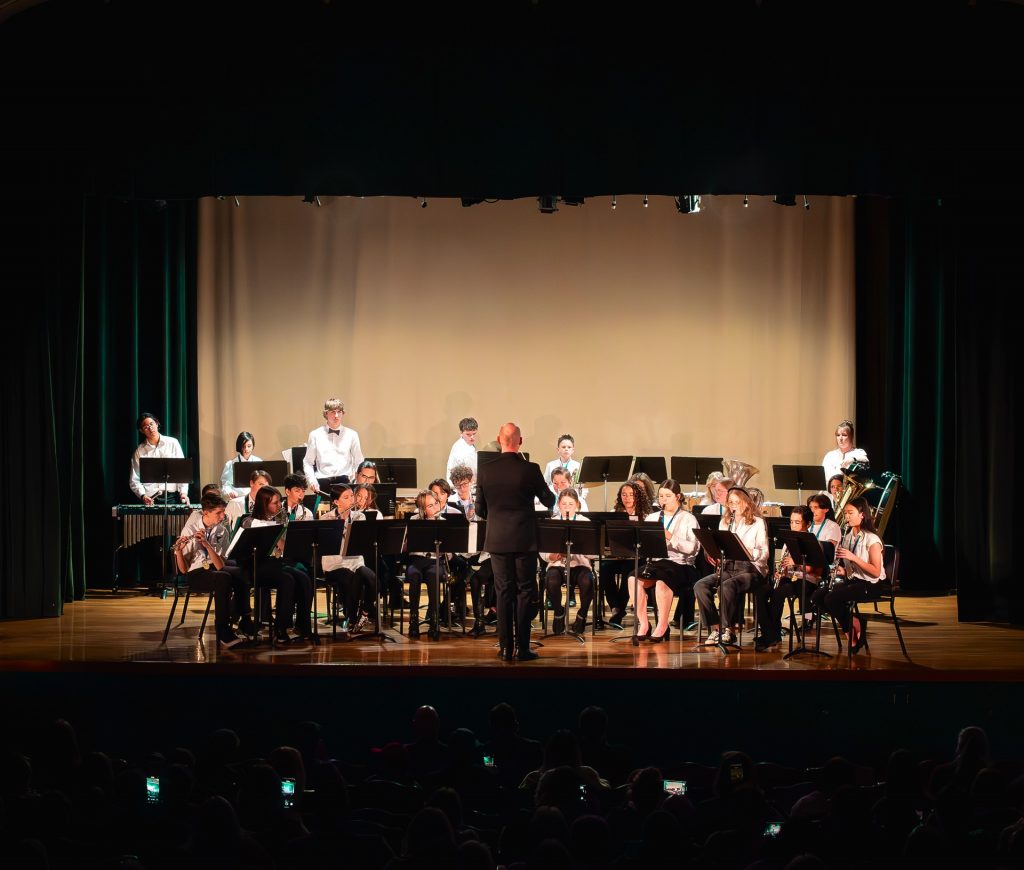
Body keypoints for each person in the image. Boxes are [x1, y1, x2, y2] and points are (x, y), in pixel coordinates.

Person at [474, 422, 556, 661]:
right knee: (524, 592)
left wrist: (498, 520)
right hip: (524, 540)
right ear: (520, 442)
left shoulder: (486, 470)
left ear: (499, 440)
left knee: (503, 593)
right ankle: (522, 648)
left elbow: (480, 508)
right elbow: (549, 500)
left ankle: (505, 648)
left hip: (497, 540)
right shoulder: (530, 469)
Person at [173, 493, 253, 649]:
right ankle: (222, 630)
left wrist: (207, 545)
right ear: (205, 513)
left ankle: (244, 619)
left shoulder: (222, 530)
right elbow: (183, 570)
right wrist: (178, 552)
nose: (223, 515)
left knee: (242, 572)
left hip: (213, 568)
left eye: (223, 511)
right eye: (218, 513)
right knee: (223, 579)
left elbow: (219, 566)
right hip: (196, 573)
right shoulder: (190, 529)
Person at [694, 486, 769, 645]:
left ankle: (728, 630)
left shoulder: (758, 522)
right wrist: (714, 554)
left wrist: (747, 552)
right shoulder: (725, 522)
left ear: (746, 502)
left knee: (726, 586)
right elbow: (721, 547)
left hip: (751, 570)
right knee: (700, 586)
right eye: (731, 503)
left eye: (737, 502)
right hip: (729, 567)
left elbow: (764, 554)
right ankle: (716, 628)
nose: (734, 506)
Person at [811, 496, 885, 653]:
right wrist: (842, 570)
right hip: (855, 580)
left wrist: (852, 557)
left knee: (831, 598)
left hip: (872, 584)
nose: (847, 517)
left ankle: (851, 636)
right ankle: (856, 622)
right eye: (845, 513)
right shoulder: (849, 536)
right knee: (817, 597)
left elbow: (875, 571)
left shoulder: (872, 539)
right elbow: (852, 569)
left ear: (862, 514)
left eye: (850, 513)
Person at [239, 485, 313, 643]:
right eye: (275, 503)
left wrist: (279, 530)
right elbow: (245, 552)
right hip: (255, 566)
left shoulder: (279, 519)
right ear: (264, 504)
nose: (280, 506)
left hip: (275, 563)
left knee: (304, 578)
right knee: (288, 579)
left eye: (280, 502)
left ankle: (303, 625)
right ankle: (281, 628)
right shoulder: (250, 522)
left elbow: (285, 549)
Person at [631, 479, 701, 642]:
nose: (663, 500)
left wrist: (670, 537)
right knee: (632, 579)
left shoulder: (688, 518)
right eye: (661, 496)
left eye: (668, 496)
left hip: (680, 564)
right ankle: (644, 624)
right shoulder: (653, 517)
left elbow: (693, 549)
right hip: (656, 562)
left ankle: (662, 625)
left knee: (663, 581)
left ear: (678, 496)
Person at [754, 504, 831, 651]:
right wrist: (781, 572)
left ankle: (771, 636)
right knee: (760, 592)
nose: (793, 525)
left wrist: (796, 564)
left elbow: (816, 571)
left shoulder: (814, 542)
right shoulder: (788, 542)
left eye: (797, 522)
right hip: (789, 578)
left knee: (778, 594)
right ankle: (770, 633)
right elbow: (786, 566)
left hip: (807, 581)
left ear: (807, 524)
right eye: (791, 522)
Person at [321, 484, 378, 632]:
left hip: (355, 562)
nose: (351, 499)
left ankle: (364, 614)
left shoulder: (359, 516)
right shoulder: (326, 519)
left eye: (352, 496)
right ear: (336, 502)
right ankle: (351, 618)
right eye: (346, 497)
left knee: (372, 578)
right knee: (351, 578)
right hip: (335, 565)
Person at [541, 489, 595, 636]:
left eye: (570, 504)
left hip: (580, 564)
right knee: (551, 580)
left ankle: (582, 614)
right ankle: (559, 612)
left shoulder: (585, 522)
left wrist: (580, 547)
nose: (567, 507)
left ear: (577, 505)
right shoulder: (552, 522)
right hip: (558, 564)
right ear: (559, 504)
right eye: (564, 503)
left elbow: (593, 554)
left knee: (587, 581)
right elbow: (543, 552)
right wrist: (554, 555)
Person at [404, 488, 448, 640]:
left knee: (433, 575)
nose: (435, 507)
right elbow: (405, 548)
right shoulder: (414, 521)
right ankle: (413, 620)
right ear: (422, 509)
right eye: (430, 506)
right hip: (416, 560)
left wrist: (445, 546)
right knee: (414, 575)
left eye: (436, 503)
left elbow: (450, 553)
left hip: (435, 561)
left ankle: (434, 622)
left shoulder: (443, 522)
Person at [303, 398, 364, 494]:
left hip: (345, 483)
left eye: (339, 412)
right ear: (326, 414)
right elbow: (307, 461)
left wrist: (356, 482)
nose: (336, 416)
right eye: (332, 412)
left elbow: (359, 461)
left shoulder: (352, 435)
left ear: (343, 413)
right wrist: (312, 481)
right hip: (322, 483)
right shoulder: (315, 435)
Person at [130, 412, 189, 504]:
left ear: (157, 424)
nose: (150, 428)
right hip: (151, 498)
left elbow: (181, 471)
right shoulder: (139, 451)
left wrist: (183, 492)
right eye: (146, 427)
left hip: (172, 496)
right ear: (142, 431)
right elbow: (134, 479)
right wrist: (143, 496)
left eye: (151, 424)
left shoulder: (173, 443)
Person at [220, 431, 263, 499]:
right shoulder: (231, 464)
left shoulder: (259, 462)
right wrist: (230, 492)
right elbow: (226, 485)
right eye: (244, 446)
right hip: (238, 499)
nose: (246, 449)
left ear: (253, 446)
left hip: (257, 499)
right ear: (240, 446)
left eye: (249, 446)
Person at [446, 417, 479, 483]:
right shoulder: (460, 448)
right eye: (468, 434)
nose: (472, 437)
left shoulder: (469, 445)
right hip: (460, 486)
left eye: (474, 434)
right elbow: (471, 470)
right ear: (461, 433)